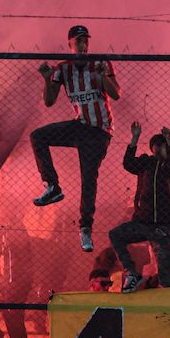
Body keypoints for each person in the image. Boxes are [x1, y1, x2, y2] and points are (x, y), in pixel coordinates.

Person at [31, 24, 120, 253]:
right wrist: (47, 78)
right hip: (80, 126)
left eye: (85, 41)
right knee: (38, 136)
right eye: (78, 41)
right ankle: (52, 186)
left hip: (99, 131)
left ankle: (85, 229)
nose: (83, 45)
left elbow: (115, 94)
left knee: (88, 178)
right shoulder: (64, 68)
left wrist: (102, 76)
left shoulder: (99, 63)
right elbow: (49, 101)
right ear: (70, 43)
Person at [110, 122, 170, 293]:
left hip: (162, 226)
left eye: (161, 146)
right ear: (151, 149)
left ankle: (167, 302)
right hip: (143, 222)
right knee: (116, 234)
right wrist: (134, 138)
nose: (158, 149)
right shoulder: (145, 163)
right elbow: (128, 163)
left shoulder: (169, 166)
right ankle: (131, 272)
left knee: (165, 273)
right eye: (155, 146)